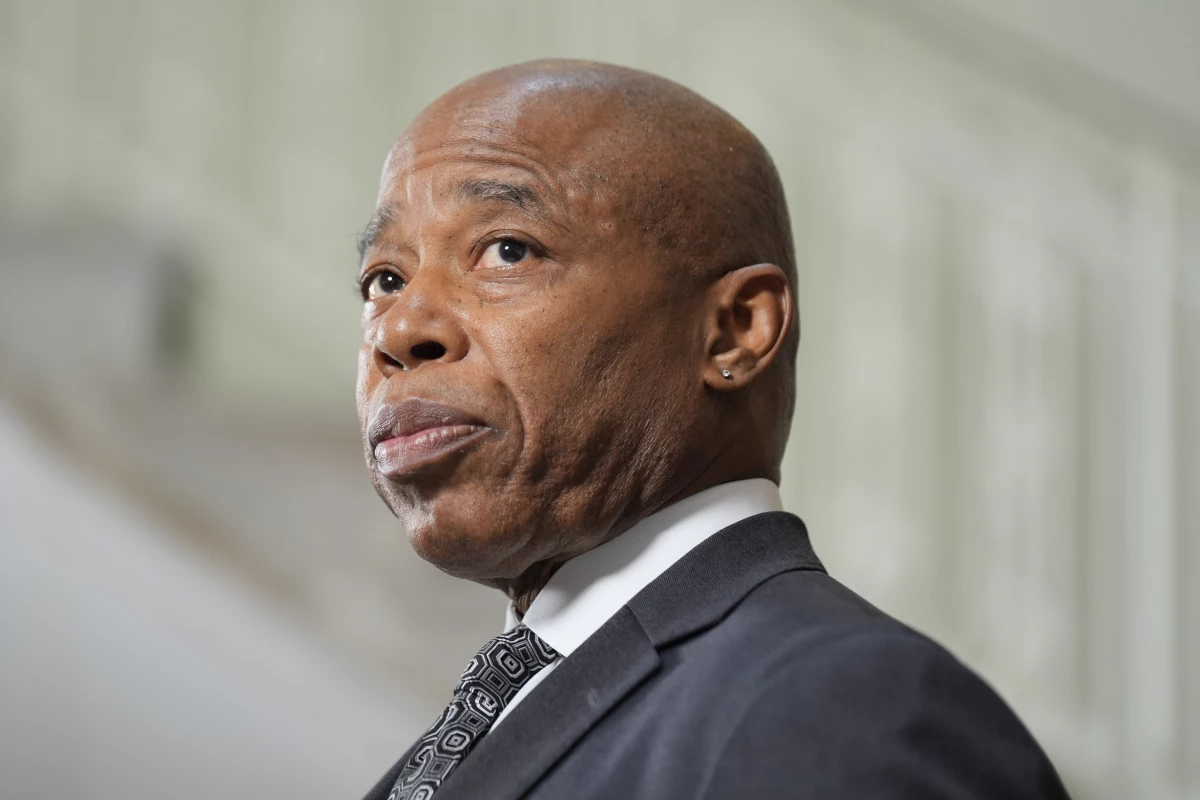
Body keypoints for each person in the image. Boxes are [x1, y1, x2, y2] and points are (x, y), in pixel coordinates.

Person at [355, 59, 1069, 800]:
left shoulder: (841, 708)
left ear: (735, 331)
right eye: (385, 278)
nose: (401, 329)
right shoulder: (510, 714)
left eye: (508, 249)